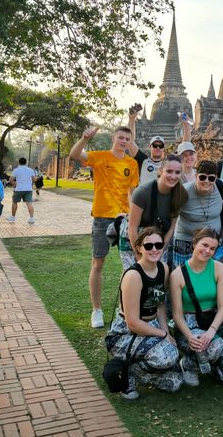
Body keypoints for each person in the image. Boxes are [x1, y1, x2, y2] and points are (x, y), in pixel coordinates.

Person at [70, 125, 140, 329]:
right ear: (113, 138)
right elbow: (75, 154)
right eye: (120, 137)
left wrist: (133, 216)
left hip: (123, 219)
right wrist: (84, 137)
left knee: (129, 265)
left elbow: (132, 192)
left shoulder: (131, 163)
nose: (123, 141)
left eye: (127, 139)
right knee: (98, 263)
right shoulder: (99, 157)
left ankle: (125, 307)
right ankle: (96, 309)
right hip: (102, 217)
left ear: (130, 142)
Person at [105, 227, 182, 399]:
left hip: (151, 324)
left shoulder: (163, 268)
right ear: (139, 247)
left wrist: (166, 331)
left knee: (174, 382)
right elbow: (132, 322)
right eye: (149, 246)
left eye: (158, 244)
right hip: (126, 332)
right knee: (167, 356)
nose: (154, 249)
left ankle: (139, 370)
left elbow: (160, 303)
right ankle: (128, 373)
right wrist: (162, 334)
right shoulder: (133, 275)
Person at [170, 228, 223, 387]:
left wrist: (211, 331)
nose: (207, 251)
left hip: (213, 322)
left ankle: (209, 364)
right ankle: (187, 364)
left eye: (212, 248)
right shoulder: (177, 274)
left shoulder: (218, 268)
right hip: (188, 325)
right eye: (204, 245)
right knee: (214, 346)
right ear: (194, 243)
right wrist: (189, 336)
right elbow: (176, 315)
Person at [120, 155, 187, 269]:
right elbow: (132, 227)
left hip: (159, 237)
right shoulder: (143, 192)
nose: (173, 176)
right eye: (169, 171)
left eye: (177, 172)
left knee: (158, 273)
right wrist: (139, 256)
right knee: (135, 274)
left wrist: (160, 251)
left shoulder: (181, 195)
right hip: (135, 237)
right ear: (160, 171)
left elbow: (171, 228)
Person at [171, 160, 223, 268]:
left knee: (211, 277)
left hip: (213, 241)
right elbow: (173, 217)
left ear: (216, 178)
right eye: (202, 177)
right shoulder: (184, 191)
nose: (206, 181)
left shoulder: (221, 187)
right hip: (186, 241)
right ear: (196, 176)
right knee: (183, 277)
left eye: (211, 178)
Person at [127, 105, 192, 185]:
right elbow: (129, 142)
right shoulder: (143, 161)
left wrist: (186, 125)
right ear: (150, 147)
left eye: (160, 146)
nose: (157, 148)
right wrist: (131, 119)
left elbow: (185, 146)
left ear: (163, 148)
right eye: (155, 145)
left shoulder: (169, 163)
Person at [6, 157, 37, 224]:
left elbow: (11, 180)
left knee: (15, 202)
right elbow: (34, 180)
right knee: (29, 203)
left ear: (19, 162)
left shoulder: (16, 170)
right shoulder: (30, 170)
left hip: (19, 189)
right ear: (26, 162)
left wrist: (15, 184)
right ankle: (32, 218)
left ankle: (13, 217)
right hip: (28, 189)